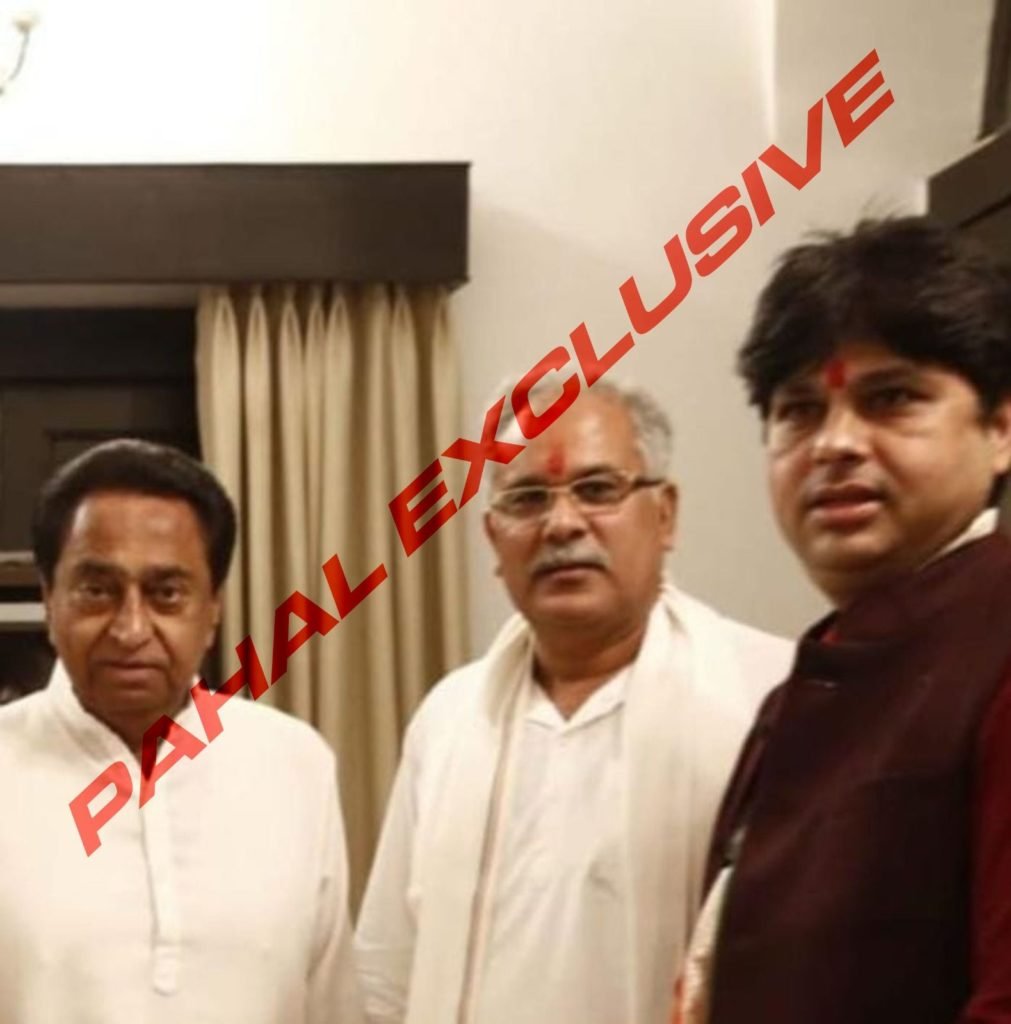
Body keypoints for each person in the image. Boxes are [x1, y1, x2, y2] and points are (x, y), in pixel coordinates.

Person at [355, 380, 793, 1024]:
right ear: (493, 539)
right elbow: (387, 975)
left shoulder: (771, 697)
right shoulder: (448, 719)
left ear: (665, 515)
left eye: (597, 489)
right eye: (527, 499)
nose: (562, 524)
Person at [679, 217, 1011, 1024]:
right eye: (798, 410)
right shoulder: (810, 680)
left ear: (1000, 429)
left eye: (889, 398)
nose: (834, 444)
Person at [0, 439, 362, 1024]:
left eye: (166, 594)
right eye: (97, 591)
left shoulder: (294, 764)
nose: (130, 629)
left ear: (212, 607)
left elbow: (331, 1005)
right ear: (49, 599)